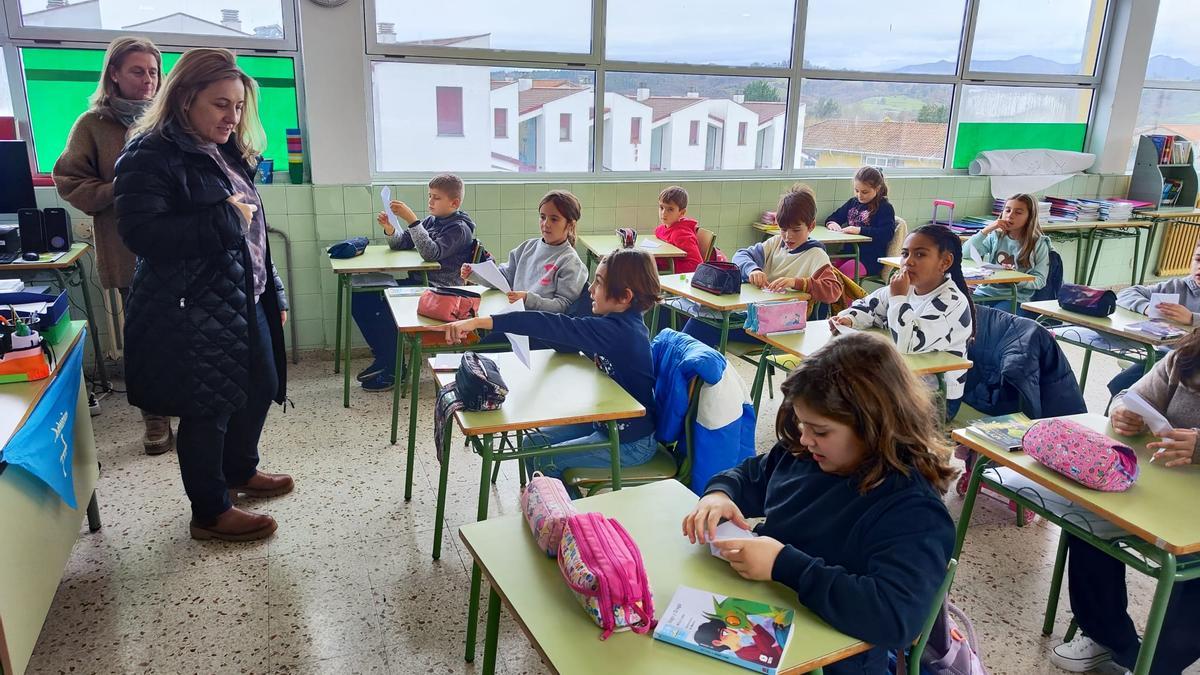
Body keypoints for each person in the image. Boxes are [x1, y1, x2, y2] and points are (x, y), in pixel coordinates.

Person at [682, 332, 956, 675]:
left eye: (821, 431)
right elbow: (753, 475)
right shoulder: (806, 453)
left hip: (833, 661)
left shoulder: (913, 512)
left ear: (873, 427)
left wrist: (783, 563)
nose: (805, 438)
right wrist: (720, 494)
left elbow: (895, 618)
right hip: (763, 618)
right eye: (801, 424)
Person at [114, 48, 290, 542]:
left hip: (243, 296)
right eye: (220, 105)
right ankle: (210, 511)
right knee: (208, 409)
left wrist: (270, 289)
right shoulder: (149, 152)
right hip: (191, 307)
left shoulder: (223, 150)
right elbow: (143, 235)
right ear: (186, 98)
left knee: (260, 386)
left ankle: (239, 471)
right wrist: (223, 219)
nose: (231, 117)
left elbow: (254, 232)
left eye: (237, 107)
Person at [1051, 329, 1200, 674]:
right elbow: (1131, 395)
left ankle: (1156, 666)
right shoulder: (1187, 354)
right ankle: (1107, 637)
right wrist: (1123, 412)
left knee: (1192, 573)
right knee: (1086, 513)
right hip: (1162, 489)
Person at [441, 249, 659, 485]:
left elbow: (553, 324)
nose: (590, 290)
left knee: (547, 461)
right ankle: (545, 502)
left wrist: (479, 321)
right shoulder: (615, 324)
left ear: (625, 297)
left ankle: (567, 519)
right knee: (532, 443)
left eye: (599, 282)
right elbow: (559, 332)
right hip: (607, 424)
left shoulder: (621, 333)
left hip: (632, 442)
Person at [52, 37, 175, 455]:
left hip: (181, 246)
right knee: (145, 336)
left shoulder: (172, 119)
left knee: (187, 332)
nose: (147, 80)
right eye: (137, 71)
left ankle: (191, 407)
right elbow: (69, 181)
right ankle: (155, 419)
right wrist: (118, 190)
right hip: (129, 248)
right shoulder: (92, 124)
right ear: (115, 75)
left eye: (153, 72)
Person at [834, 224, 975, 418]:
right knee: (839, 397)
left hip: (936, 398)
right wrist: (849, 319)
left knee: (858, 416)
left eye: (920, 255)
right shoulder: (907, 287)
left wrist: (898, 298)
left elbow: (907, 344)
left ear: (945, 262)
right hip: (901, 384)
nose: (909, 262)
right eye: (905, 254)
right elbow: (868, 306)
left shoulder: (951, 302)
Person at [352, 174, 477, 391]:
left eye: (436, 198)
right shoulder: (432, 221)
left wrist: (412, 220)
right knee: (361, 295)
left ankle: (394, 368)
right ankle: (385, 358)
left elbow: (431, 253)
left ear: (454, 203)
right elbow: (402, 243)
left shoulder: (459, 228)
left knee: (383, 305)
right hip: (421, 285)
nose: (430, 202)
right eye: (429, 196)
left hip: (441, 293)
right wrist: (391, 228)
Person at [681, 184, 843, 347]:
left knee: (703, 326)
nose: (788, 236)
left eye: (796, 230)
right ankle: (686, 369)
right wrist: (753, 270)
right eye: (783, 229)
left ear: (811, 226)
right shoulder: (776, 243)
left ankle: (680, 369)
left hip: (783, 326)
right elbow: (741, 255)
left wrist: (797, 282)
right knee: (702, 318)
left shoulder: (816, 254)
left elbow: (834, 290)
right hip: (759, 317)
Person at [460, 190, 586, 314]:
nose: (545, 224)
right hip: (515, 316)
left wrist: (527, 299)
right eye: (542, 217)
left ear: (570, 224)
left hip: (540, 328)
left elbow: (563, 307)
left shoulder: (570, 262)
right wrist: (475, 274)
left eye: (554, 219)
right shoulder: (527, 247)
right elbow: (503, 278)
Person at [1106, 239, 1200, 395]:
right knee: (1120, 386)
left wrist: (1192, 318)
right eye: (1198, 259)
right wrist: (1147, 307)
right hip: (1166, 358)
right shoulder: (1178, 287)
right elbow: (1126, 293)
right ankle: (1115, 417)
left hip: (1191, 365)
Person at [964, 193, 1050, 308]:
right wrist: (986, 230)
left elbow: (1040, 281)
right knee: (965, 312)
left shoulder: (1038, 244)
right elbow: (965, 254)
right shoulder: (996, 236)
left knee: (996, 319)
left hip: (1016, 298)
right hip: (986, 293)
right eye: (1007, 210)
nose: (1010, 216)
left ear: (1030, 217)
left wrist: (1017, 279)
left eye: (1018, 212)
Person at [824, 166, 896, 278]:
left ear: (877, 189)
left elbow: (887, 233)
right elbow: (833, 217)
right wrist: (832, 223)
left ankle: (850, 296)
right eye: (856, 191)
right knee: (827, 273)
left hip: (869, 259)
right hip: (848, 254)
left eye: (864, 192)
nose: (859, 195)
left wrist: (859, 230)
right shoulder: (853, 202)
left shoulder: (885, 207)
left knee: (840, 277)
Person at [653, 186, 703, 273]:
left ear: (681, 213)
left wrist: (669, 267)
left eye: (670, 209)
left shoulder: (682, 234)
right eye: (661, 208)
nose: (663, 213)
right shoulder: (661, 229)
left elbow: (696, 264)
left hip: (677, 278)